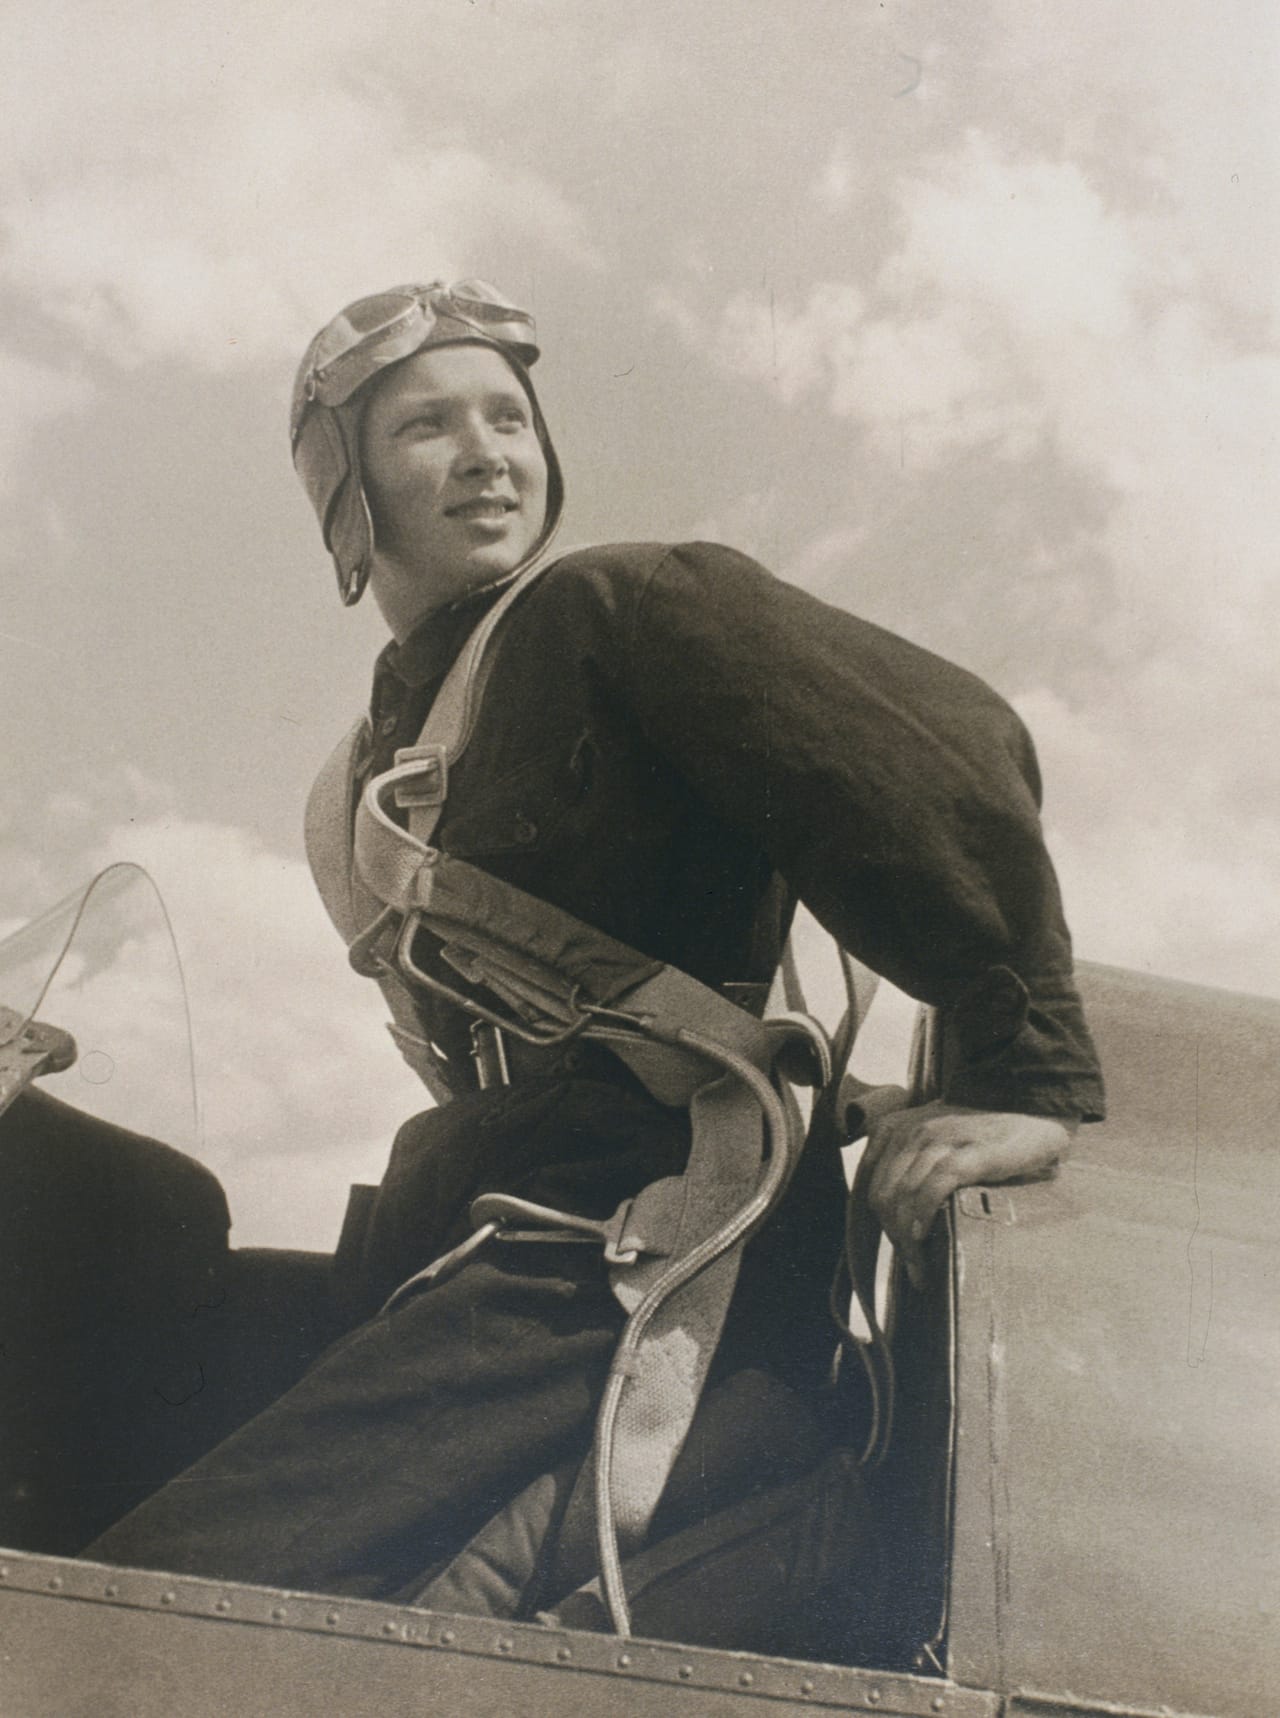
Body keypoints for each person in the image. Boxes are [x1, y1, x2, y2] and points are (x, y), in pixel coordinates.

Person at [86, 278, 1104, 1624]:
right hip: (480, 1230)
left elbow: (944, 745)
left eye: (508, 415)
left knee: (158, 1596)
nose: (487, 453)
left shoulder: (623, 610)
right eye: (427, 428)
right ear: (345, 491)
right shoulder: (357, 788)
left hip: (641, 1240)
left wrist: (1019, 1074)